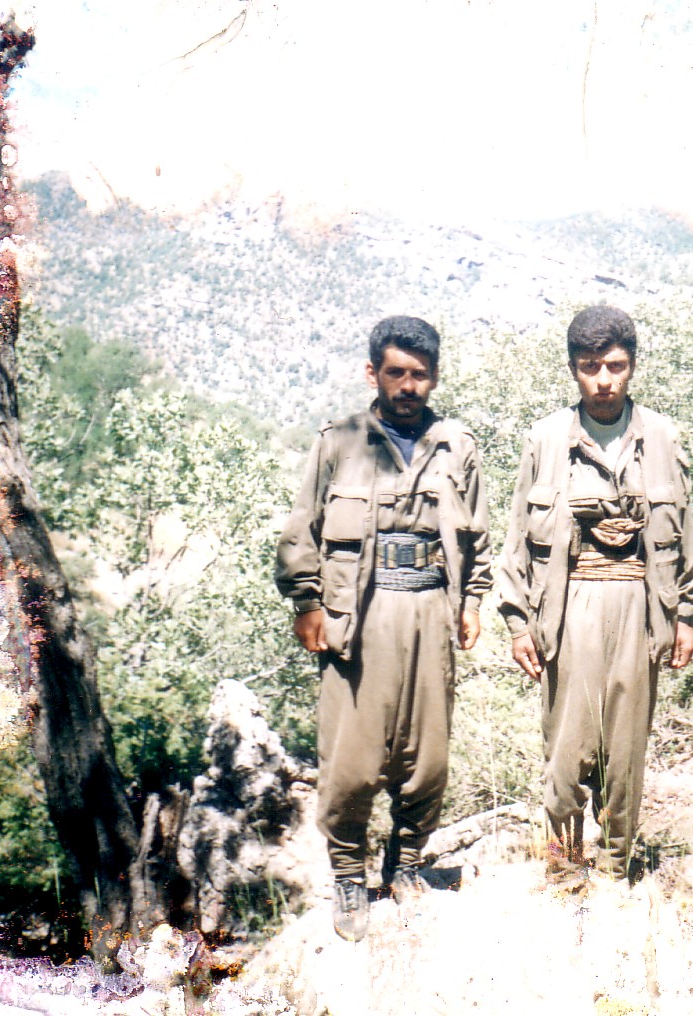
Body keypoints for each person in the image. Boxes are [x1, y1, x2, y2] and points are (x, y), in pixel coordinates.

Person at [275, 315, 491, 941]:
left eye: (419, 375)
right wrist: (307, 602)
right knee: (351, 759)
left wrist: (472, 601)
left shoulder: (456, 447)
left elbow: (475, 536)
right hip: (357, 615)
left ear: (435, 377)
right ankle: (349, 873)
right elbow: (302, 528)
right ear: (374, 373)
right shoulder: (339, 442)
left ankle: (408, 864)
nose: (408, 386)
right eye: (396, 372)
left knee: (427, 755)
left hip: (430, 608)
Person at [497, 304, 693, 886]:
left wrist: (685, 616)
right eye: (591, 367)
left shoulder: (661, 437)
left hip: (640, 607)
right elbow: (518, 539)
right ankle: (564, 869)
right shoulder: (545, 440)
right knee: (567, 751)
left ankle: (615, 870)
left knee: (625, 752)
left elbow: (686, 535)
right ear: (573, 369)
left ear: (632, 365)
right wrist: (518, 624)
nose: (604, 380)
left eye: (615, 366)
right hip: (567, 611)